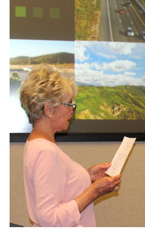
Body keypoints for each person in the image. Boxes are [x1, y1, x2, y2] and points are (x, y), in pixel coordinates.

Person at [20, 65, 121, 227]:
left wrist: (86, 178)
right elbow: (50, 219)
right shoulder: (45, 151)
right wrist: (94, 191)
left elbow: (58, 190)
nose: (73, 111)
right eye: (69, 104)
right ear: (49, 109)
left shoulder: (35, 143)